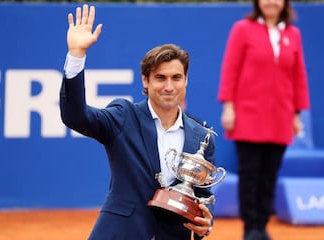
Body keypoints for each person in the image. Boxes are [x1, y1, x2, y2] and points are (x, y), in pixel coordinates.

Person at [60, 4, 215, 240]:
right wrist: (76, 56)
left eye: (176, 78)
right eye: (160, 78)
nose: (169, 86)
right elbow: (76, 116)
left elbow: (203, 194)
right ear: (145, 81)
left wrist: (206, 219)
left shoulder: (201, 136)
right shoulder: (124, 116)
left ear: (186, 81)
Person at [217, 0, 310, 240]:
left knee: (270, 174)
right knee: (250, 174)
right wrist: (229, 107)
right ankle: (251, 228)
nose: (271, 2)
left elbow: (298, 75)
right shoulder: (242, 29)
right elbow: (230, 69)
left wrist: (297, 114)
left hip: (281, 116)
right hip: (248, 115)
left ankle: (262, 225)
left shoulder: (293, 33)